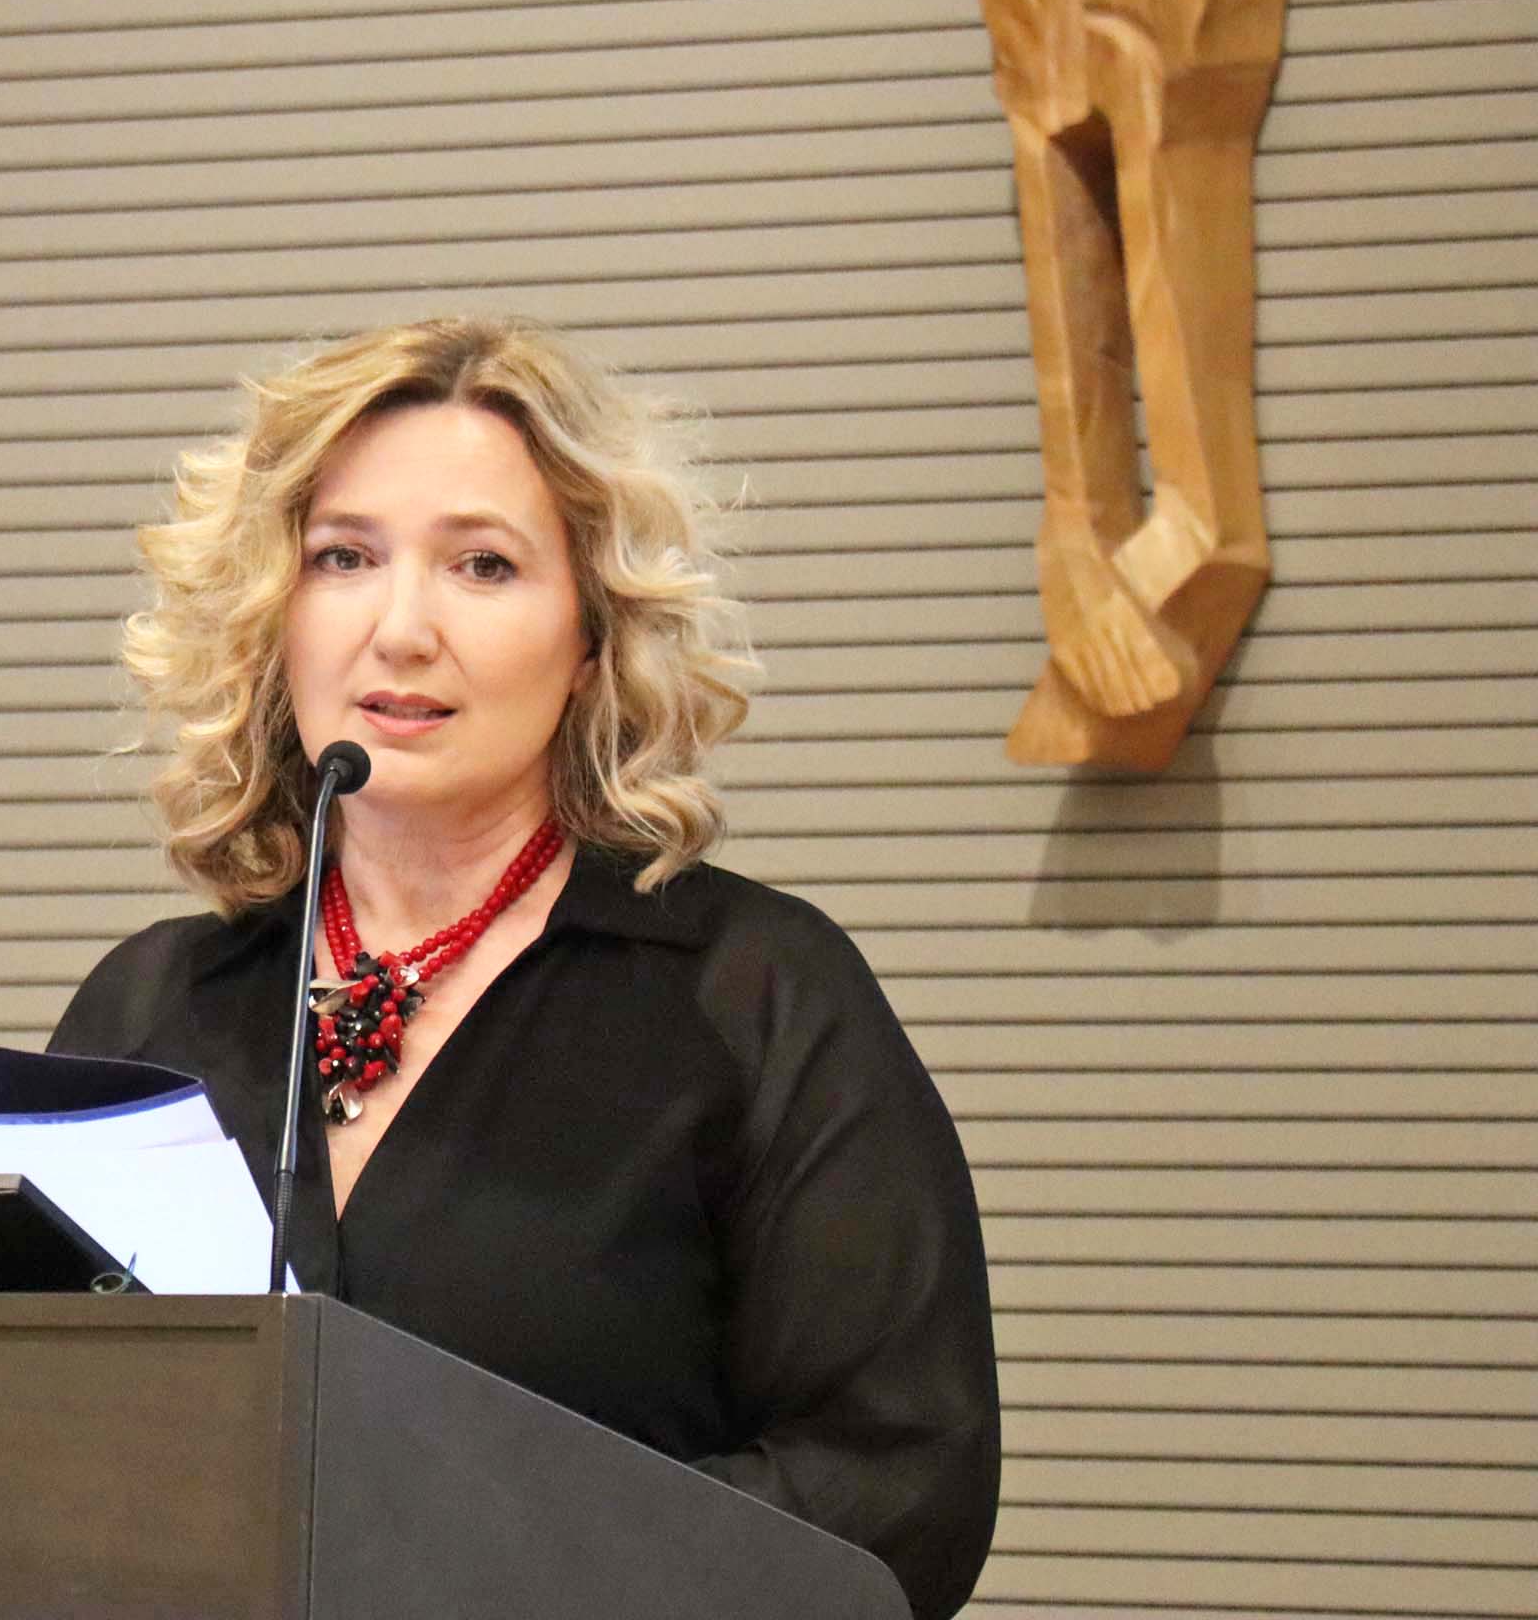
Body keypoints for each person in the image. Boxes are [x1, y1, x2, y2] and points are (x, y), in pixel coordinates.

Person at [50, 317, 1001, 1620]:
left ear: (594, 636)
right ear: (274, 615)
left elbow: (897, 1489)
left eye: (483, 566)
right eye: (343, 557)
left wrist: (493, 1572)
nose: (401, 629)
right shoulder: (149, 1009)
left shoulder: (755, 999)